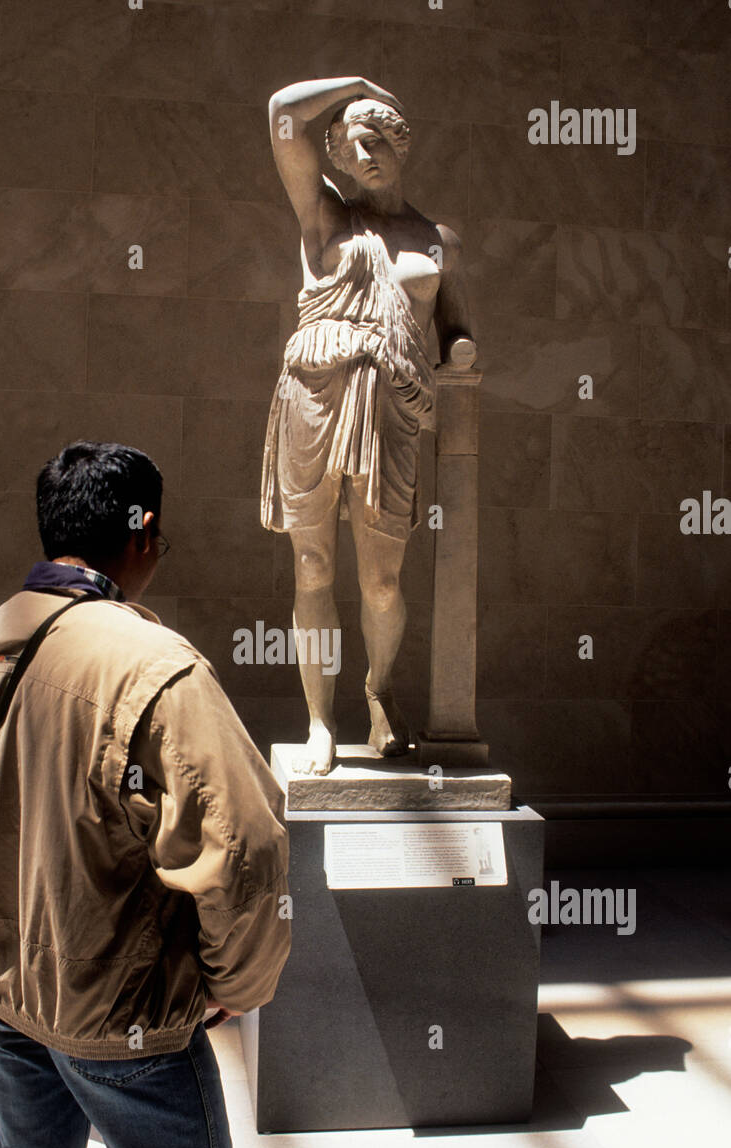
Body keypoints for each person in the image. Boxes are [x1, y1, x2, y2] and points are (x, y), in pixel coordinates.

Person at [0, 440, 291, 1148]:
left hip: (2, 987)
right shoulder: (157, 666)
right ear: (144, 532)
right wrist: (236, 981)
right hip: (117, 1011)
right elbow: (246, 850)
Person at [262, 76, 477, 776]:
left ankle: (378, 693)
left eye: (377, 137)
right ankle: (319, 720)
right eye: (351, 143)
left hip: (389, 410)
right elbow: (281, 117)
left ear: (400, 142)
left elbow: (457, 329)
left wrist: (460, 352)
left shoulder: (436, 239)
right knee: (313, 566)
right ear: (339, 158)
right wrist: (351, 84)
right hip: (314, 399)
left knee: (382, 583)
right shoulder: (323, 216)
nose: (365, 151)